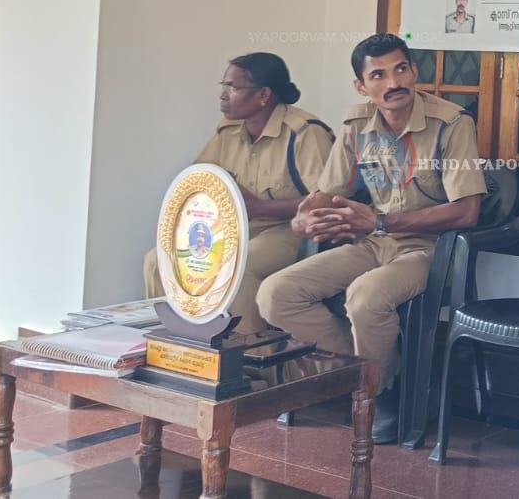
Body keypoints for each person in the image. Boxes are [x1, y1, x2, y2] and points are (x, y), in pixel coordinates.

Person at [257, 33, 488, 443]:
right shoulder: (357, 124)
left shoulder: (451, 123)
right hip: (372, 244)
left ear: (414, 71)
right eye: (378, 75)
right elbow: (328, 193)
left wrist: (381, 221)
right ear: (361, 86)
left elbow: (467, 211)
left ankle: (375, 394)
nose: (393, 82)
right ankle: (379, 375)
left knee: (365, 296)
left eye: (401, 69)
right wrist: (303, 220)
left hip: (430, 248)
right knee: (276, 293)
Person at [143, 53, 333, 335]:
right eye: (224, 86)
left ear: (264, 95)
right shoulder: (229, 131)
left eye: (232, 88)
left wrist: (261, 209)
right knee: (158, 260)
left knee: (239, 268)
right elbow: (200, 180)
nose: (222, 95)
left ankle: (246, 355)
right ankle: (177, 343)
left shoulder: (304, 132)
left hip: (287, 229)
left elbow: (326, 200)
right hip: (233, 228)